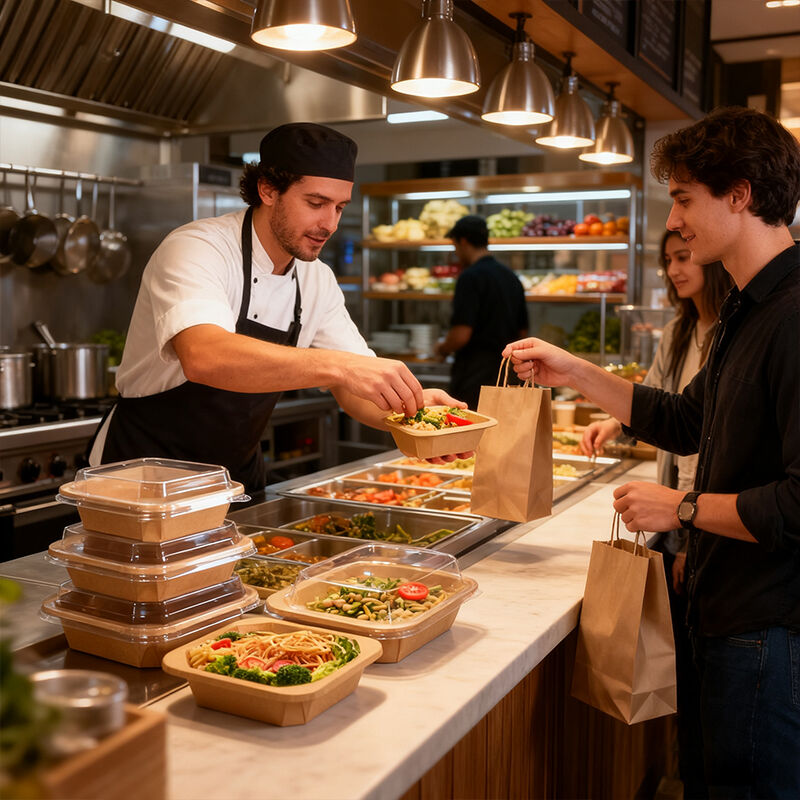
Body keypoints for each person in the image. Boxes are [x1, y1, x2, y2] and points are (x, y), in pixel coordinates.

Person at [503, 107, 800, 799]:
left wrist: (684, 508)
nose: (674, 222)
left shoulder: (791, 318)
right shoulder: (745, 311)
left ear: (741, 194)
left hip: (770, 632)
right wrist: (575, 371)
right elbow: (686, 419)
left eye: (684, 200)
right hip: (724, 616)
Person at [89, 122, 463, 494]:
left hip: (233, 481)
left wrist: (415, 415)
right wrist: (342, 367)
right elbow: (204, 356)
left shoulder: (316, 279)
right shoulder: (198, 248)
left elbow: (355, 392)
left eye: (339, 207)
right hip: (141, 479)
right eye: (316, 204)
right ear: (267, 189)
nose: (329, 223)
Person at [581, 231, 731, 799]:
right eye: (667, 259)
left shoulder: (740, 330)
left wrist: (690, 528)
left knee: (707, 692)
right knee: (690, 680)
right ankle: (681, 763)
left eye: (683, 254)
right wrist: (617, 419)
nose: (673, 268)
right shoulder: (677, 332)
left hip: (699, 522)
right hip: (679, 518)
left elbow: (702, 443)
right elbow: (670, 407)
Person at [435, 215, 528, 410]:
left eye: (455, 246)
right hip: (507, 373)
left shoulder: (469, 277)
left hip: (474, 376)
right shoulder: (511, 277)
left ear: (464, 241)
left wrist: (442, 348)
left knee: (470, 434)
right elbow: (523, 333)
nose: (456, 253)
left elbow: (461, 334)